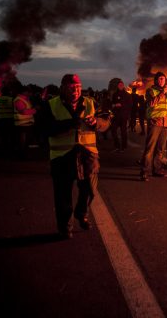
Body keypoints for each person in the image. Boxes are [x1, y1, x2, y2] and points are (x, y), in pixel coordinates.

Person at [44, 74, 109, 239]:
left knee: (90, 189)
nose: (76, 91)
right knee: (62, 195)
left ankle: (81, 213)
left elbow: (106, 120)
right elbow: (44, 128)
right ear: (63, 88)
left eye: (78, 87)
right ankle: (65, 227)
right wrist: (70, 123)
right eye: (72, 88)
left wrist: (97, 123)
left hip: (87, 155)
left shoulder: (90, 102)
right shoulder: (51, 105)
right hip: (62, 156)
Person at [139, 72, 167, 181]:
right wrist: (163, 92)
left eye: (163, 79)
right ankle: (144, 171)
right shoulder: (151, 91)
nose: (162, 81)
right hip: (155, 122)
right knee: (150, 148)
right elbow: (152, 103)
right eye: (160, 79)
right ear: (156, 80)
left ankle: (157, 169)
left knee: (160, 149)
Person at [13, 86, 37, 158]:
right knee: (23, 141)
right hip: (22, 124)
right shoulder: (19, 100)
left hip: (26, 123)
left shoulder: (25, 99)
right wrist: (35, 110)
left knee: (26, 141)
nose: (30, 94)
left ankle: (24, 154)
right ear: (24, 92)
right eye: (28, 92)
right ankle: (22, 154)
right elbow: (23, 111)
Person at [110, 80, 132, 152]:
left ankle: (123, 147)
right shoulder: (115, 94)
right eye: (119, 85)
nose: (120, 86)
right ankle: (117, 146)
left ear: (123, 86)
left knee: (123, 132)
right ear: (117, 86)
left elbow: (130, 105)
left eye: (121, 85)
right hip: (116, 116)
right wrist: (113, 105)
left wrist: (122, 105)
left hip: (123, 116)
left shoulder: (127, 95)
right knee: (113, 130)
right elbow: (112, 104)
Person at [0, 86, 15, 155]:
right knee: (11, 135)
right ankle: (10, 150)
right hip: (9, 119)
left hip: (0, 119)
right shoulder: (11, 99)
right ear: (9, 92)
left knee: (3, 136)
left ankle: (4, 149)